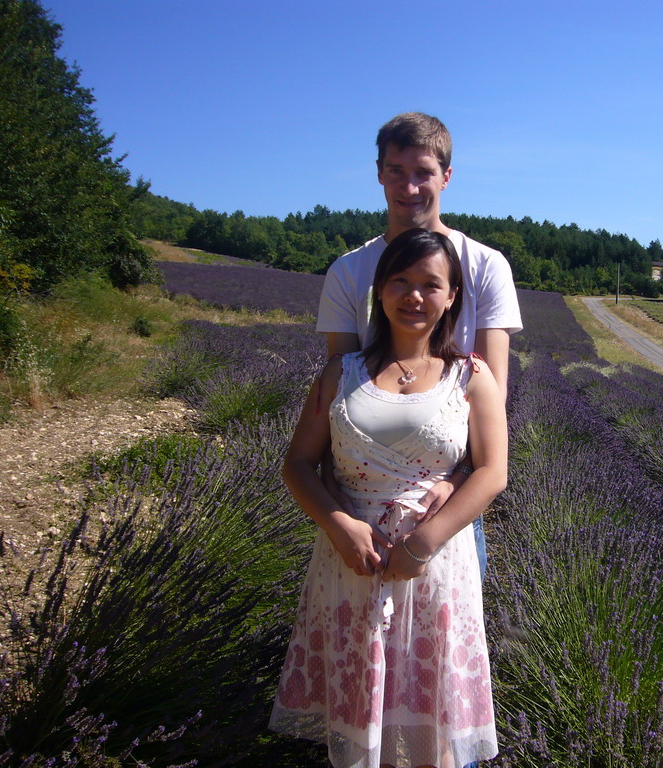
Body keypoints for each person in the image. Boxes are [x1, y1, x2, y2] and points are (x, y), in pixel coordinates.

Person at [269, 228, 506, 768]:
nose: (414, 295)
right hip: (349, 564)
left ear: (451, 299)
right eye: (401, 280)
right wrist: (340, 526)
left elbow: (492, 473)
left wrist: (423, 543)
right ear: (379, 290)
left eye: (430, 284)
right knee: (358, 713)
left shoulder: (472, 378)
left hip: (437, 566)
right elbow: (298, 465)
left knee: (433, 722)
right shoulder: (340, 374)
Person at [316, 112, 521, 579]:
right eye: (396, 171)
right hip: (357, 499)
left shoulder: (487, 266)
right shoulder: (347, 273)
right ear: (379, 174)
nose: (409, 187)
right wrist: (337, 513)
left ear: (446, 177)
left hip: (447, 496)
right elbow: (335, 398)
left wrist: (461, 482)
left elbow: (494, 393)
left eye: (423, 173)